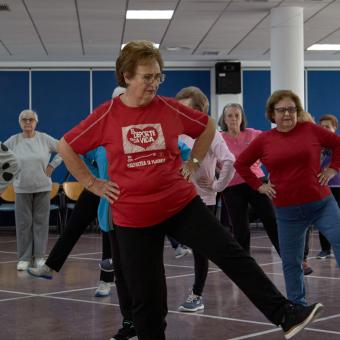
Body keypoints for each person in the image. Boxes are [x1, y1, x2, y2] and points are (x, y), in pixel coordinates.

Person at [58, 41, 323, 340]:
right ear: (127, 76)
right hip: (134, 217)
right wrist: (93, 183)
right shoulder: (107, 115)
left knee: (232, 253)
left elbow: (208, 126)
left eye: (158, 76)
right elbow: (66, 146)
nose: (154, 83)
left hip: (180, 205)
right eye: (147, 77)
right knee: (148, 298)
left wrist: (194, 161)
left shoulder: (169, 108)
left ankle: (284, 314)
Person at [235, 89, 340, 306]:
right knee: (291, 261)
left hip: (321, 203)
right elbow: (241, 164)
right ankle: (297, 305)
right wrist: (260, 186)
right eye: (281, 110)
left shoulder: (311, 130)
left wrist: (332, 169)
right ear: (272, 114)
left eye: (291, 110)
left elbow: (338, 144)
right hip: (287, 211)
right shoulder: (264, 140)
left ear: (297, 111)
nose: (286, 114)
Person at [176, 86, 235, 312]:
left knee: (202, 251)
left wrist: (217, 186)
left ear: (199, 112)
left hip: (202, 200)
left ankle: (196, 295)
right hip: (175, 199)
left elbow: (229, 161)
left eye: (185, 110)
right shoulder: (177, 133)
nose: (180, 114)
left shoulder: (211, 134)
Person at [218, 103, 280, 255]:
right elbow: (212, 160)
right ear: (224, 119)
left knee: (271, 220)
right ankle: (246, 268)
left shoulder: (253, 134)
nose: (233, 119)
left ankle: (289, 257)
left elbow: (272, 151)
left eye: (237, 115)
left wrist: (271, 172)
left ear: (242, 118)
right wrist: (219, 174)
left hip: (257, 182)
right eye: (230, 116)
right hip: (231, 187)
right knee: (240, 228)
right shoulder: (218, 138)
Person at [5, 109, 62, 271]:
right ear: (20, 122)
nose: (28, 122)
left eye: (31, 119)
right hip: (21, 188)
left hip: (43, 187)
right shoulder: (13, 141)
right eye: (24, 119)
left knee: (41, 223)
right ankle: (23, 258)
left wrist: (52, 165)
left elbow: (63, 149)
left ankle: (39, 257)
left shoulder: (44, 138)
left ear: (36, 122)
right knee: (24, 224)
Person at [316, 114, 340, 259]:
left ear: (334, 128)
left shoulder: (338, 144)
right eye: (322, 126)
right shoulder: (317, 147)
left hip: (339, 186)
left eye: (327, 127)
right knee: (323, 218)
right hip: (323, 186)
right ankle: (325, 249)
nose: (324, 129)